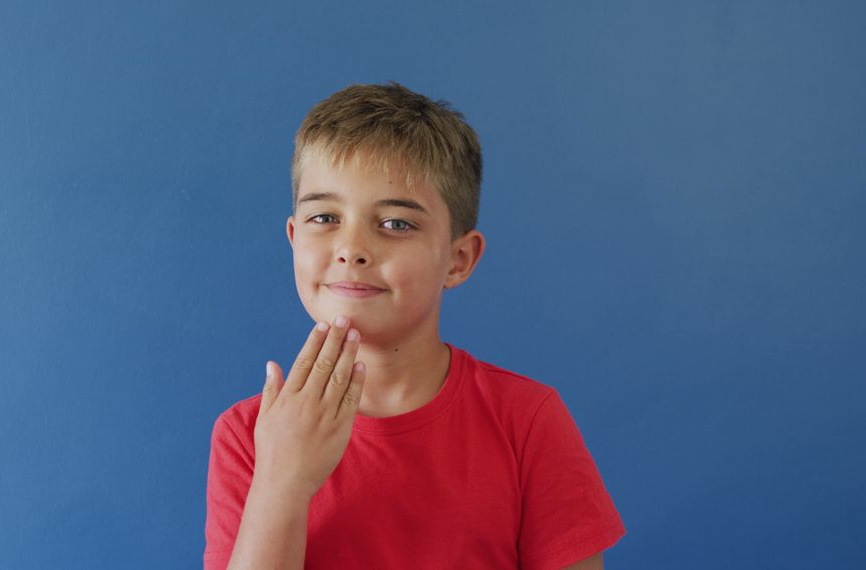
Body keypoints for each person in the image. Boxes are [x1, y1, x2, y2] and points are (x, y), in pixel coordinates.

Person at [204, 81, 626, 569]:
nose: (351, 248)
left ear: (458, 260)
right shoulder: (247, 435)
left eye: (396, 224)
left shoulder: (527, 421)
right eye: (325, 217)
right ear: (294, 238)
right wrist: (283, 479)